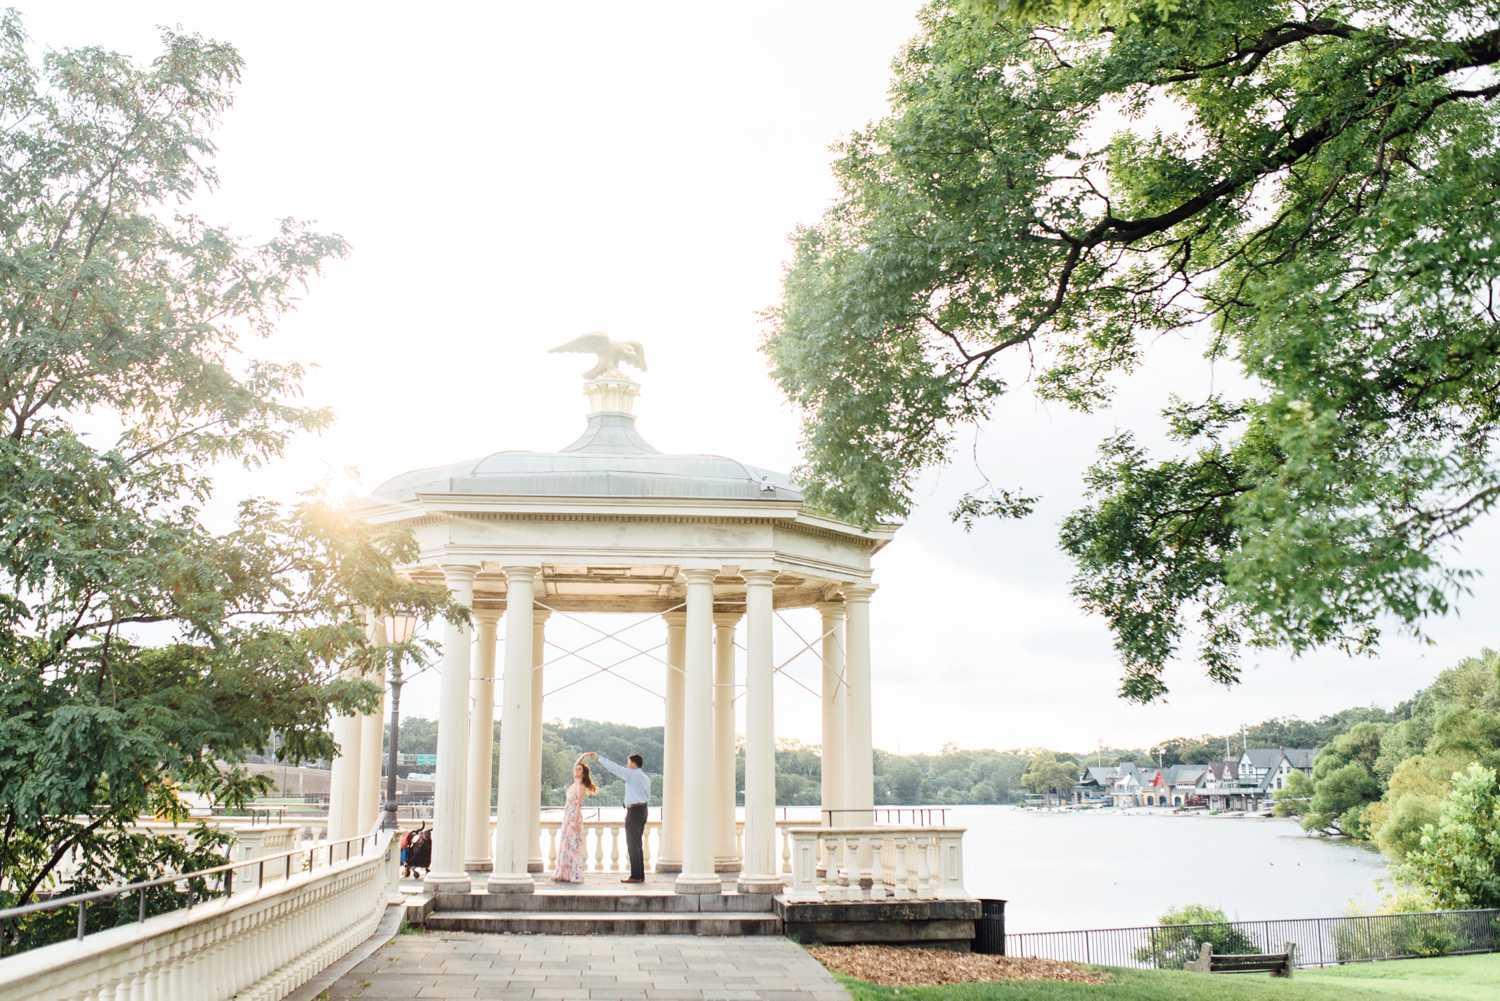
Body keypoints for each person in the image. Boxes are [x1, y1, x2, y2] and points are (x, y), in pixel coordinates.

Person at [588, 751, 650, 883]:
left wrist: (598, 758)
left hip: (634, 812)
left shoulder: (631, 774)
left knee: (632, 844)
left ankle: (635, 876)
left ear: (633, 763)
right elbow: (640, 795)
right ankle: (640, 875)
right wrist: (626, 802)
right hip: (643, 810)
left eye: (628, 762)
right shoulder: (645, 777)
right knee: (637, 844)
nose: (626, 765)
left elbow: (614, 768)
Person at [554, 755, 598, 883]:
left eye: (579, 770)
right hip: (568, 815)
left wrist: (576, 821)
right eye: (576, 769)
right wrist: (584, 756)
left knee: (573, 845)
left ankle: (574, 874)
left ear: (583, 774)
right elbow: (576, 763)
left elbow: (579, 804)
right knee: (566, 844)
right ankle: (564, 873)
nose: (576, 770)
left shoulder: (580, 786)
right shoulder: (575, 782)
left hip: (574, 816)